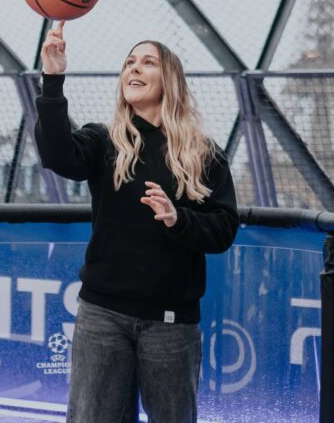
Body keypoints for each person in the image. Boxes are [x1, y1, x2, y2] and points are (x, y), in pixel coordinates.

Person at [34, 21, 239, 423]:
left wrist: (178, 219)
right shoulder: (105, 141)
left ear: (171, 81)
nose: (135, 69)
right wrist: (53, 79)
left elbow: (223, 229)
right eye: (130, 62)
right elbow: (58, 154)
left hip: (171, 324)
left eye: (148, 62)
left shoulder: (204, 153)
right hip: (102, 315)